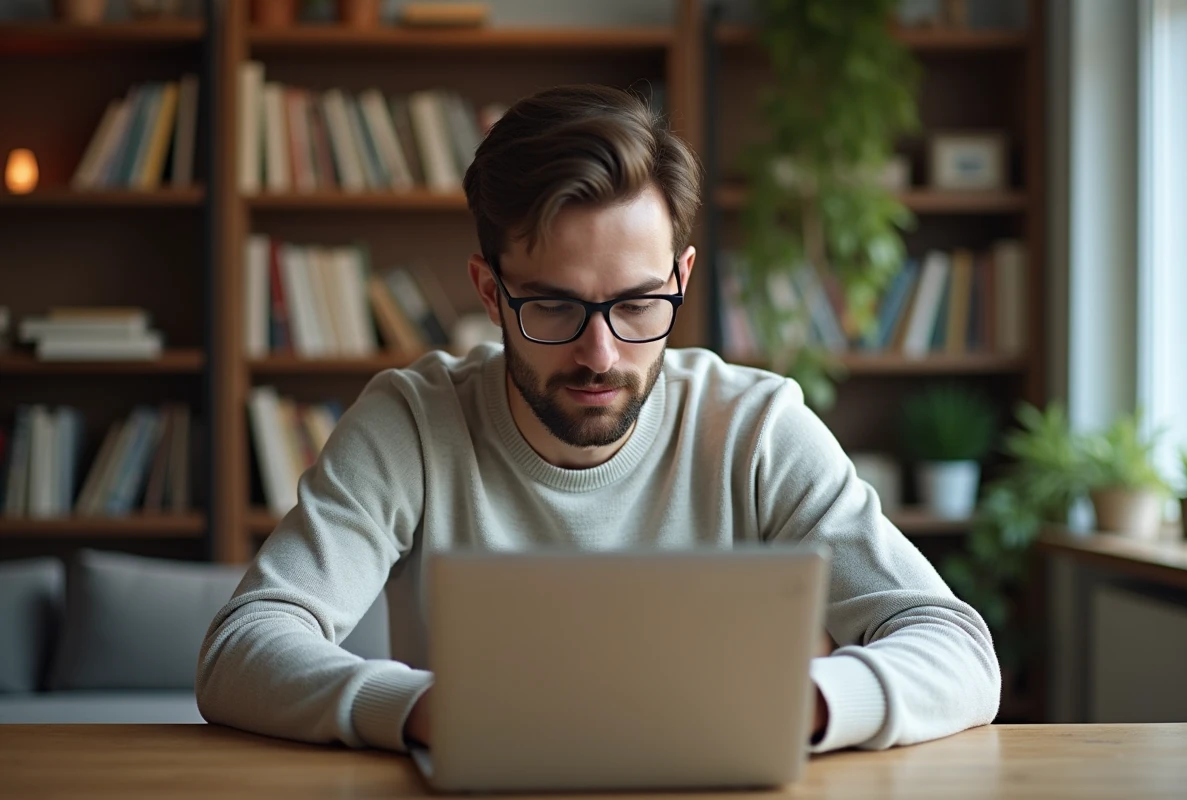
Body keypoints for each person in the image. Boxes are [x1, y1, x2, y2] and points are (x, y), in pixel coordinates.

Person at [197, 84, 1000, 755]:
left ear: (681, 279)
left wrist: (807, 703)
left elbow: (957, 647)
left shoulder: (754, 428)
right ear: (489, 292)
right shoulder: (411, 423)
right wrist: (421, 708)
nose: (600, 353)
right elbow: (243, 648)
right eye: (553, 305)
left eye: (638, 304)